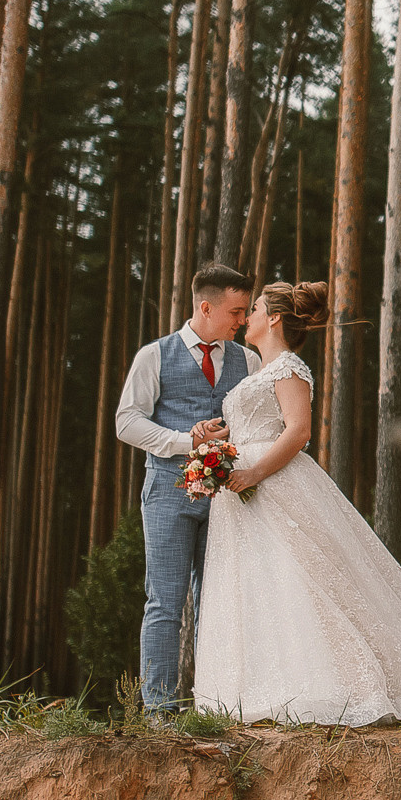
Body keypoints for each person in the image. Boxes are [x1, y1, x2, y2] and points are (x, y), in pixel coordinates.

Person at [192, 280, 401, 725]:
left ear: (274, 318)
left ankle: (337, 686)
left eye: (255, 308)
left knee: (305, 579)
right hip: (243, 486)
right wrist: (216, 437)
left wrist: (255, 472)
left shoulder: (289, 368)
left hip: (272, 483)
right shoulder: (258, 373)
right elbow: (254, 424)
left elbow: (298, 431)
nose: (247, 317)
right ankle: (259, 690)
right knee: (262, 583)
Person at [114, 262, 262, 715]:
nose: (242, 320)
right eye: (236, 311)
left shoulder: (248, 360)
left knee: (216, 602)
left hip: (229, 499)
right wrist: (185, 442)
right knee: (164, 600)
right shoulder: (154, 355)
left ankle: (210, 705)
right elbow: (126, 422)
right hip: (167, 493)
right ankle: (159, 709)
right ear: (206, 306)